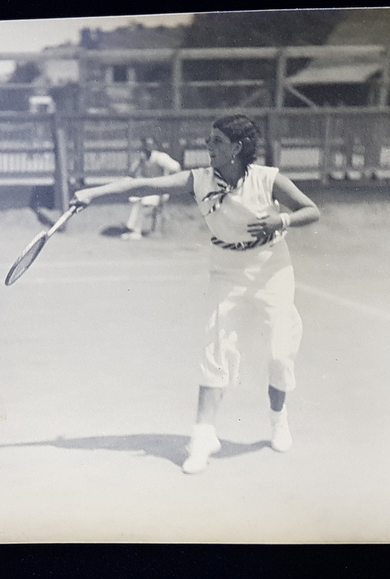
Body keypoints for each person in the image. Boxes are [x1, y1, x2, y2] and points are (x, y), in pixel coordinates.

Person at [71, 114, 320, 474]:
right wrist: (92, 194)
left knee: (279, 352)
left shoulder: (269, 179)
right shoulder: (197, 179)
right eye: (208, 140)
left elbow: (312, 211)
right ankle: (203, 438)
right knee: (215, 346)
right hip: (225, 269)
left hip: (271, 270)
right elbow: (140, 185)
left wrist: (280, 221)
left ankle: (278, 419)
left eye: (216, 141)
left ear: (236, 148)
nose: (207, 146)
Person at [121, 137, 182, 240]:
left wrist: (170, 183)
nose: (148, 147)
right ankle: (132, 229)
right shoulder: (142, 157)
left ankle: (137, 232)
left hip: (161, 190)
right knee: (136, 199)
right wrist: (138, 162)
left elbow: (176, 167)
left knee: (144, 201)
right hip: (148, 189)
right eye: (146, 145)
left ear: (155, 146)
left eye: (150, 145)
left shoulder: (160, 157)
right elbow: (131, 173)